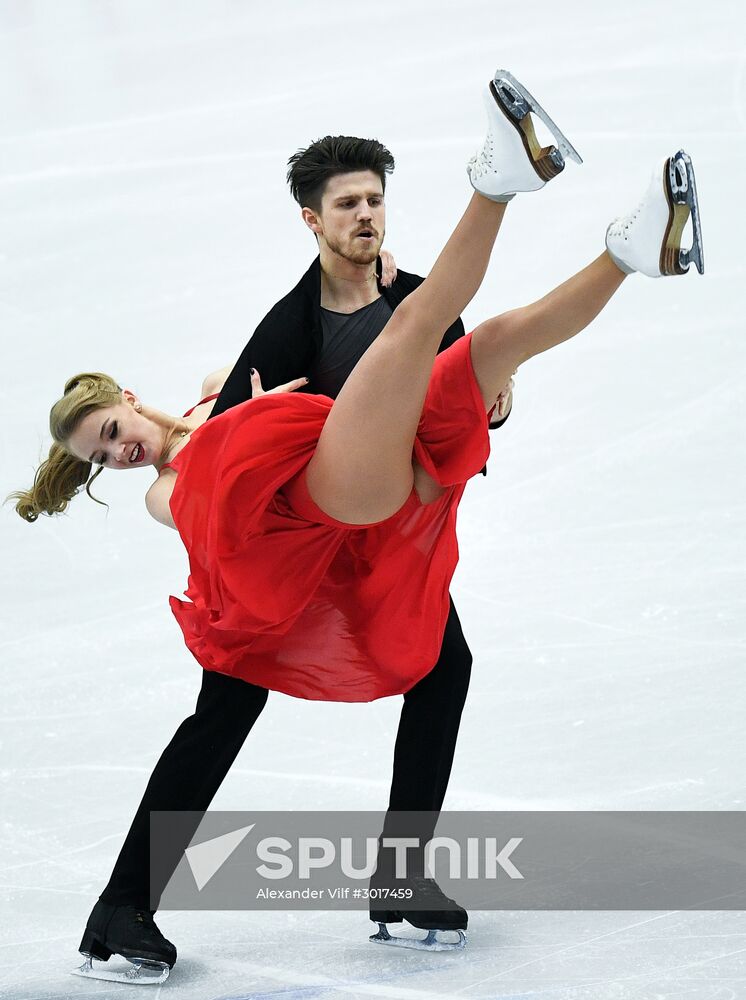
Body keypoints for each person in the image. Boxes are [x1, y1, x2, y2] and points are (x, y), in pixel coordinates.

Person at [13, 70, 703, 978]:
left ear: (133, 403)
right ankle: (120, 907)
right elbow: (212, 498)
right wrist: (249, 431)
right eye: (346, 204)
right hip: (292, 561)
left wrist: (487, 413)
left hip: (378, 531)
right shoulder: (270, 348)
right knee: (222, 711)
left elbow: (469, 399)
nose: (364, 215)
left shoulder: (367, 323)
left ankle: (626, 248)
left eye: (374, 199)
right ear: (313, 220)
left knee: (443, 655)